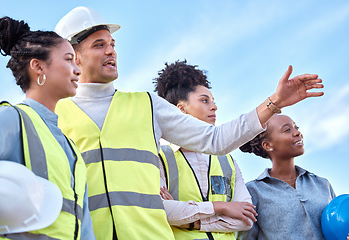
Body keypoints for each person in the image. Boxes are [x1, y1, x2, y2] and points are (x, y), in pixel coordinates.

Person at [54, 6, 324, 240]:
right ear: (73, 56)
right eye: (99, 45)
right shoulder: (56, 113)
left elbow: (215, 139)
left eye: (112, 44)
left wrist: (274, 102)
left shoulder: (146, 105)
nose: (111, 51)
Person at [0, 16, 95, 239]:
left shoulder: (71, 148)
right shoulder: (10, 118)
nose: (77, 70)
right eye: (68, 60)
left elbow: (83, 225)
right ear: (37, 66)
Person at [154, 60, 257, 240]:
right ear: (181, 109)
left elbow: (246, 219)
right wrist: (221, 207)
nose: (214, 106)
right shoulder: (160, 156)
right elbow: (164, 210)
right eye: (204, 100)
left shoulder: (228, 161)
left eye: (213, 101)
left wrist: (192, 221)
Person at [237, 114, 336, 240]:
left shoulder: (322, 184)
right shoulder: (253, 191)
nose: (297, 133)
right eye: (287, 130)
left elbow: (336, 228)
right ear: (268, 145)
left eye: (296, 127)